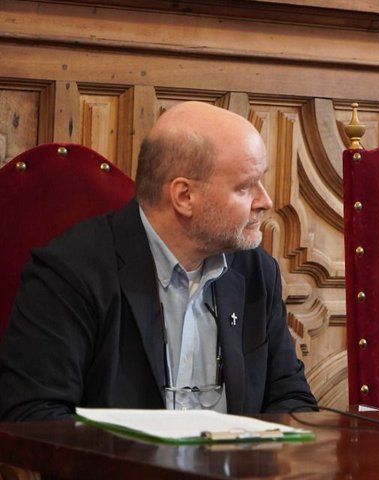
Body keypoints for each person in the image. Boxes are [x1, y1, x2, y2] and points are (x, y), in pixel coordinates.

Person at [0, 101, 318, 421]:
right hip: (117, 456)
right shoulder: (72, 271)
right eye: (245, 187)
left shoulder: (256, 271)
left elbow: (291, 397)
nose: (266, 201)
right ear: (184, 196)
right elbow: (34, 415)